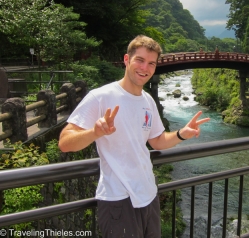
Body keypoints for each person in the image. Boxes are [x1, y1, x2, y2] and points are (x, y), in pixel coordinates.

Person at [59, 35, 210, 237]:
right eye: (139, 60)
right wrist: (95, 132)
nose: (144, 68)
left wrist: (182, 134)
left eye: (151, 63)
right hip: (118, 201)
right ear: (126, 60)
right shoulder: (101, 96)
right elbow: (65, 142)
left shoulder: (147, 100)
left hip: (149, 196)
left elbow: (156, 140)